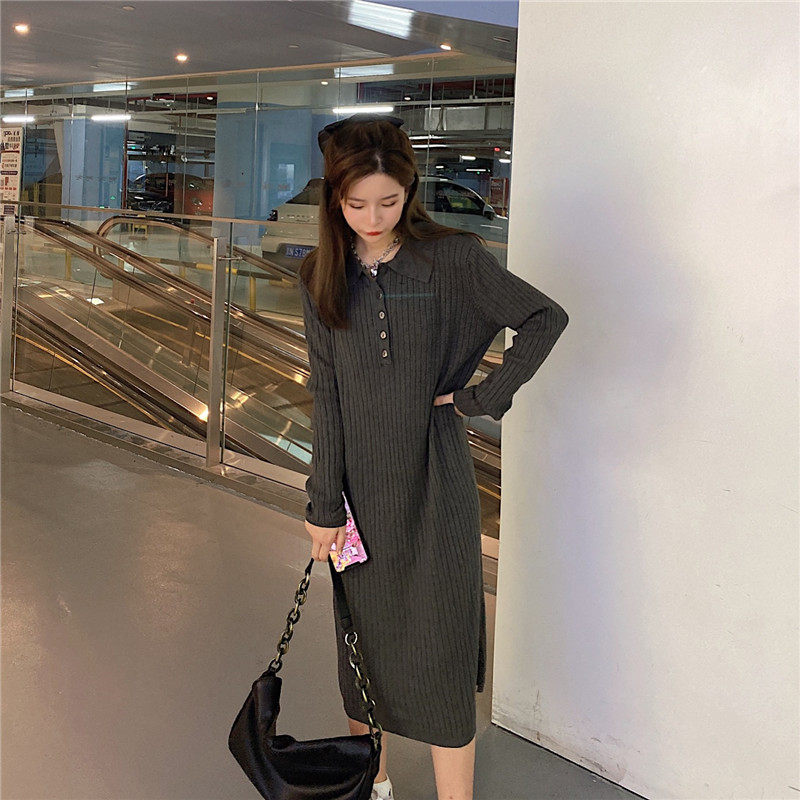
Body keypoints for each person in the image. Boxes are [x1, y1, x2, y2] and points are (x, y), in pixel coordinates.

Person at [298, 113, 569, 800]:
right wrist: (322, 505)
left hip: (436, 482)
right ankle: (375, 784)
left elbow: (544, 317)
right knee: (363, 652)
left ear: (410, 192)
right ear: (334, 200)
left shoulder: (452, 259)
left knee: (441, 647)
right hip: (358, 495)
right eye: (356, 204)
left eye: (388, 202)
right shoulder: (320, 274)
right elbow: (327, 395)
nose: (372, 218)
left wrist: (483, 397)